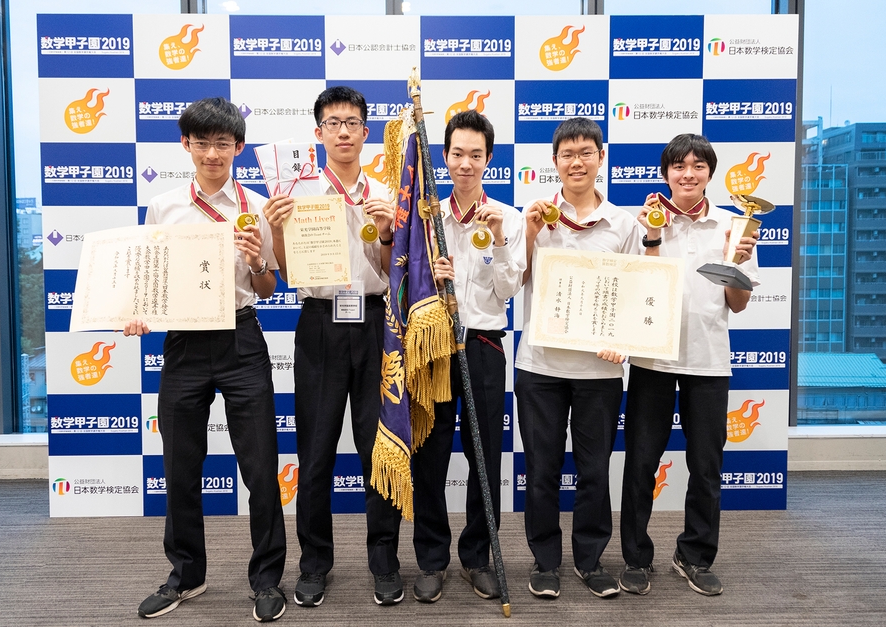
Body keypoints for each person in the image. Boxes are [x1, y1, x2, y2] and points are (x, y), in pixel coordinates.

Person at [129, 97, 288, 623]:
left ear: (238, 147)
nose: (213, 153)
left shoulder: (257, 205)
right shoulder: (164, 206)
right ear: (186, 145)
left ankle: (266, 579)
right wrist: (137, 315)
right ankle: (186, 575)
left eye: (224, 143)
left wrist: (258, 260)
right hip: (184, 345)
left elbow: (267, 288)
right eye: (203, 142)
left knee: (261, 469)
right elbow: (151, 284)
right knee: (180, 466)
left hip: (242, 341)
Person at [262, 86, 402, 607]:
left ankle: (384, 560)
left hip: (375, 323)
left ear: (366, 132)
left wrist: (388, 232)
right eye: (332, 122)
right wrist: (277, 231)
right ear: (317, 133)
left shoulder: (388, 189)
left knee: (379, 450)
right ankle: (315, 562)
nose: (343, 131)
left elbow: (398, 274)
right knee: (315, 451)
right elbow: (286, 270)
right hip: (320, 323)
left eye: (352, 122)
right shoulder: (297, 191)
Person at [619, 133, 760, 597]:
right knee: (641, 462)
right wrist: (653, 238)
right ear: (666, 173)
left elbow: (737, 304)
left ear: (710, 175)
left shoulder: (731, 226)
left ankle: (695, 555)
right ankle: (636, 558)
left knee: (705, 466)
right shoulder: (644, 221)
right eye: (679, 166)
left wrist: (737, 260)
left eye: (698, 166)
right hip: (652, 360)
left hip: (708, 361)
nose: (688, 174)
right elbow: (637, 288)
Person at [515, 117, 637, 600]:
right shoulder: (538, 217)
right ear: (555, 162)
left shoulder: (624, 224)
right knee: (541, 471)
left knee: (594, 471)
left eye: (586, 152)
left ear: (600, 158)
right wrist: (526, 231)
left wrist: (623, 340)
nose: (577, 161)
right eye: (567, 154)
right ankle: (545, 562)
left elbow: (632, 294)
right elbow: (513, 279)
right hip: (540, 367)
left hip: (599, 370)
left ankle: (590, 559)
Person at [411, 110, 525, 603]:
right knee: (429, 457)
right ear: (445, 156)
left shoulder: (508, 217)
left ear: (489, 159)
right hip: (435, 348)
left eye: (475, 155)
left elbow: (507, 289)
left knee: (486, 457)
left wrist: (498, 240)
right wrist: (429, 275)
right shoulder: (425, 215)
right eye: (457, 154)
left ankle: (479, 556)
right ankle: (432, 559)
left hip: (482, 345)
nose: (465, 163)